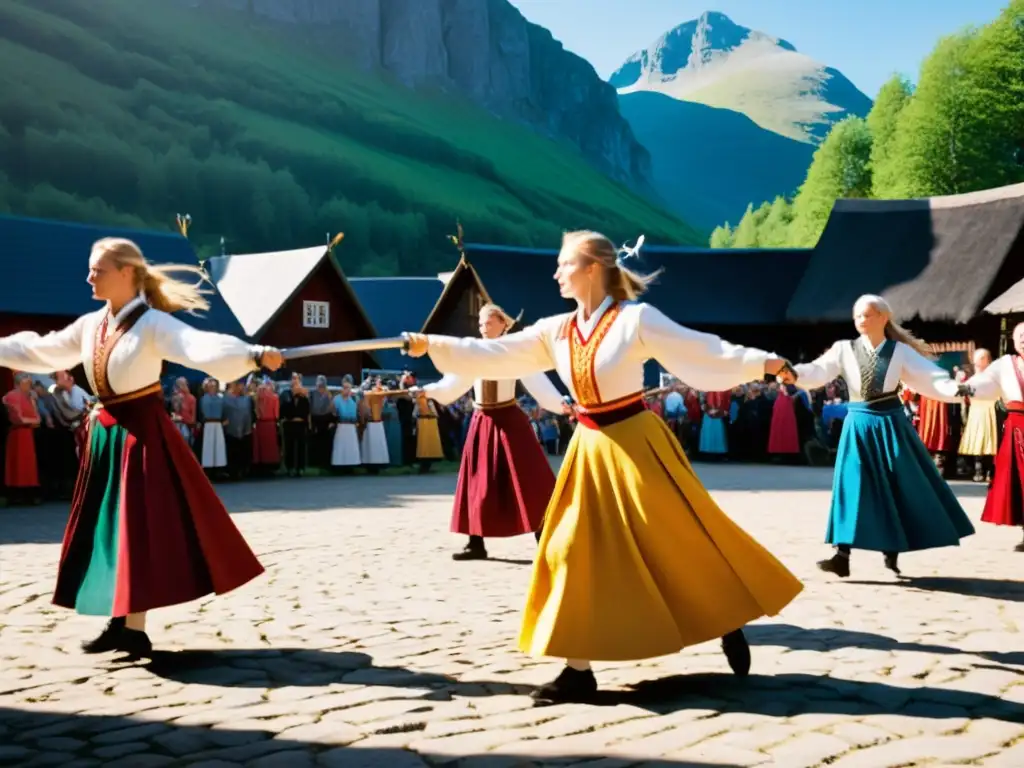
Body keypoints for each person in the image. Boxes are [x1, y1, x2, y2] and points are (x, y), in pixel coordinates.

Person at [404, 230, 803, 703]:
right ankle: (578, 669)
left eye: (564, 264)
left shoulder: (636, 319)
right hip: (588, 446)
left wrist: (766, 363)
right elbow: (495, 354)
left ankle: (725, 616)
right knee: (568, 546)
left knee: (676, 538)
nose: (555, 273)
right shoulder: (555, 330)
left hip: (636, 442)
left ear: (593, 268)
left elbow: (701, 350)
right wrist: (431, 345)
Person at [0, 237, 283, 656]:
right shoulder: (90, 325)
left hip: (141, 435)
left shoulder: (153, 324)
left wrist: (251, 355)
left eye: (99, 270)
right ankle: (123, 622)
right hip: (107, 433)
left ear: (127, 273)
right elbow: (40, 349)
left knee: (136, 527)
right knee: (109, 526)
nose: (89, 277)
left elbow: (196, 346)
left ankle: (133, 626)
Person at [792, 294, 974, 578]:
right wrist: (792, 373)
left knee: (895, 483)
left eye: (866, 315)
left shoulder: (898, 351)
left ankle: (892, 551)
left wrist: (954, 389)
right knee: (850, 485)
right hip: (857, 424)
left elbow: (929, 376)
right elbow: (817, 371)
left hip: (890, 424)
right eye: (857, 316)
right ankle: (842, 555)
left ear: (883, 317)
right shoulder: (843, 349)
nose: (861, 320)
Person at [415, 303, 564, 561]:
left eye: (488, 323)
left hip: (510, 421)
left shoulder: (514, 351)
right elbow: (454, 383)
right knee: (476, 482)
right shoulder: (472, 353)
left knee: (529, 479)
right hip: (482, 419)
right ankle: (475, 542)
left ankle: (544, 540)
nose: (483, 327)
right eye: (481, 323)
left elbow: (537, 382)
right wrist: (427, 391)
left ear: (502, 324)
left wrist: (563, 404)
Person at [962, 323, 1024, 551]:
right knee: (1019, 481)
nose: (1023, 339)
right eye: (1020, 336)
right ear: (1013, 340)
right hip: (1017, 426)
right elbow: (984, 383)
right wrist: (966, 389)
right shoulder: (1005, 365)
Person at [958, 348, 999, 484]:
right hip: (976, 412)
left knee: (990, 441)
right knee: (976, 440)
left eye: (982, 358)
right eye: (977, 358)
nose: (978, 361)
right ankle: (978, 469)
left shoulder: (993, 378)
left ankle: (990, 470)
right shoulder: (971, 379)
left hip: (990, 410)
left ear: (988, 360)